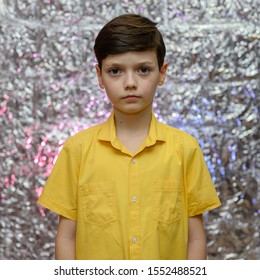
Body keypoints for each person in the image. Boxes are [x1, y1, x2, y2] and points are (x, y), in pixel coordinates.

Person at [37, 14, 221, 260]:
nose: (130, 83)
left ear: (162, 73)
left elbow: (196, 238)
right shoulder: (77, 150)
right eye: (115, 71)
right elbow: (67, 237)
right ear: (100, 76)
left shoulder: (185, 149)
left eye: (143, 69)